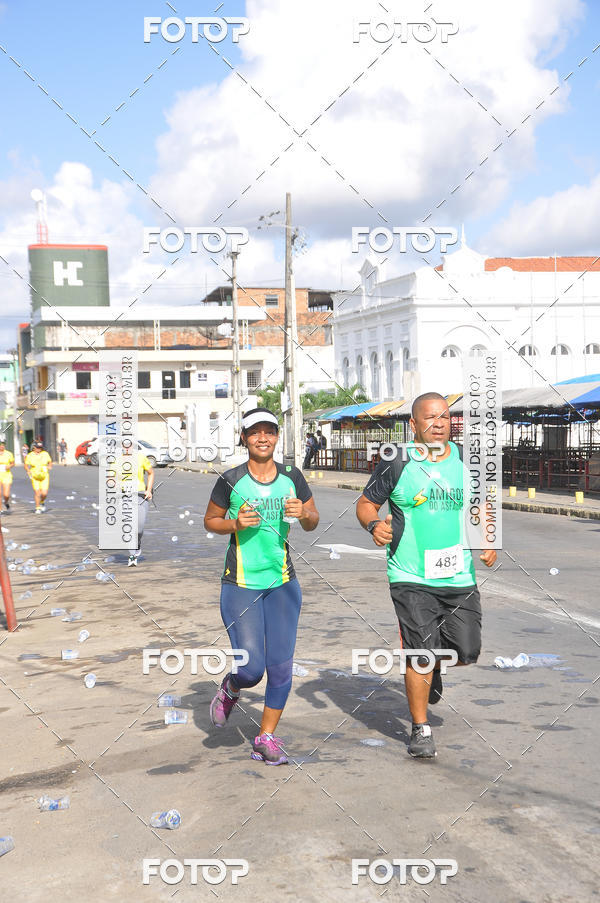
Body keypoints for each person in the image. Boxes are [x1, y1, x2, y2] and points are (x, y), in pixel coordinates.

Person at [356, 392, 497, 759]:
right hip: (410, 575)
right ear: (414, 424)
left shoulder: (467, 459)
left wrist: (487, 537)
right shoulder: (396, 460)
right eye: (430, 418)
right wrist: (374, 524)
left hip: (458, 576)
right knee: (420, 653)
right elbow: (366, 503)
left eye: (445, 417)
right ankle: (421, 727)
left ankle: (433, 667)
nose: (439, 424)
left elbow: (481, 504)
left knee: (468, 650)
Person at [204, 407, 319, 764]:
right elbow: (210, 521)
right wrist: (235, 523)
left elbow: (313, 521)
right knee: (252, 669)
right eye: (255, 432)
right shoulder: (231, 480)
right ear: (244, 438)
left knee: (281, 667)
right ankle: (232, 687)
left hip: (282, 583)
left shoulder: (292, 477)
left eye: (269, 431)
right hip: (241, 584)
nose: (263, 437)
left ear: (276, 436)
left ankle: (265, 737)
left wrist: (304, 514)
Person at [128, 453, 154, 566]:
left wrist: (148, 490)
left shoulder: (140, 457)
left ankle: (137, 543)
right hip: (123, 496)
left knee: (139, 527)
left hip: (140, 495)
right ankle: (132, 556)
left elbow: (151, 473)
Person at [24, 440, 53, 514]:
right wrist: (28, 471)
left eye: (40, 447)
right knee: (37, 493)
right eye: (37, 447)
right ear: (34, 447)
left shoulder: (45, 454)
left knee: (44, 493)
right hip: (35, 476)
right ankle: (37, 508)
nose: (39, 449)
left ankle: (42, 501)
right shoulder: (30, 455)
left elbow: (50, 462)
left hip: (44, 476)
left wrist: (50, 466)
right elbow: (26, 465)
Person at [0, 440, 15, 513]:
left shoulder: (9, 454)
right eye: (0, 445)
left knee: (6, 494)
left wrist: (9, 466)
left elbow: (13, 463)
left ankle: (5, 502)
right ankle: (0, 509)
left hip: (6, 474)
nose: (1, 446)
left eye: (3, 445)